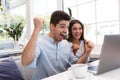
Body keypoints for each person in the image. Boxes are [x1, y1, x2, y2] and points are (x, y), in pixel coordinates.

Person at [22, 10, 83, 80]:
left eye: (67, 27)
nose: (66, 31)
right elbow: (25, 62)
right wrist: (37, 29)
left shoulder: (66, 44)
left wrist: (87, 52)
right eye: (62, 26)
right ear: (52, 26)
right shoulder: (40, 42)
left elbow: (76, 65)